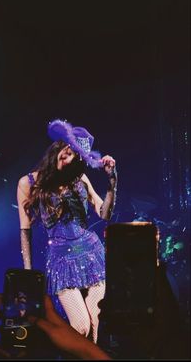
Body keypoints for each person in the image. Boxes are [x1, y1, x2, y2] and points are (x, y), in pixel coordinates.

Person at [17, 118, 117, 344]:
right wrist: (29, 274)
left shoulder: (79, 178)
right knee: (80, 327)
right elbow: (25, 230)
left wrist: (112, 181)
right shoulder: (28, 182)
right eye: (66, 149)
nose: (67, 155)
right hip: (61, 260)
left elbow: (104, 214)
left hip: (92, 255)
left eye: (74, 155)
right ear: (57, 147)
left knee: (98, 324)